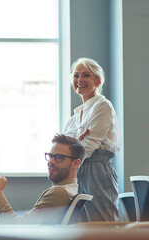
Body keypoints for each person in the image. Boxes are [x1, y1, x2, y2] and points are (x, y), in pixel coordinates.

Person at [64, 57, 122, 221]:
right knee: (83, 226)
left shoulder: (103, 106)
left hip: (97, 170)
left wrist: (70, 163)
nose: (80, 80)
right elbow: (64, 146)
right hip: (78, 169)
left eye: (86, 75)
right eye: (76, 76)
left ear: (97, 80)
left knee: (103, 223)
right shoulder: (75, 116)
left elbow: (88, 145)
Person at [0, 134, 84, 224]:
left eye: (59, 158)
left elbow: (18, 226)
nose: (51, 161)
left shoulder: (59, 192)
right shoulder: (72, 188)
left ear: (75, 164)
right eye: (50, 156)